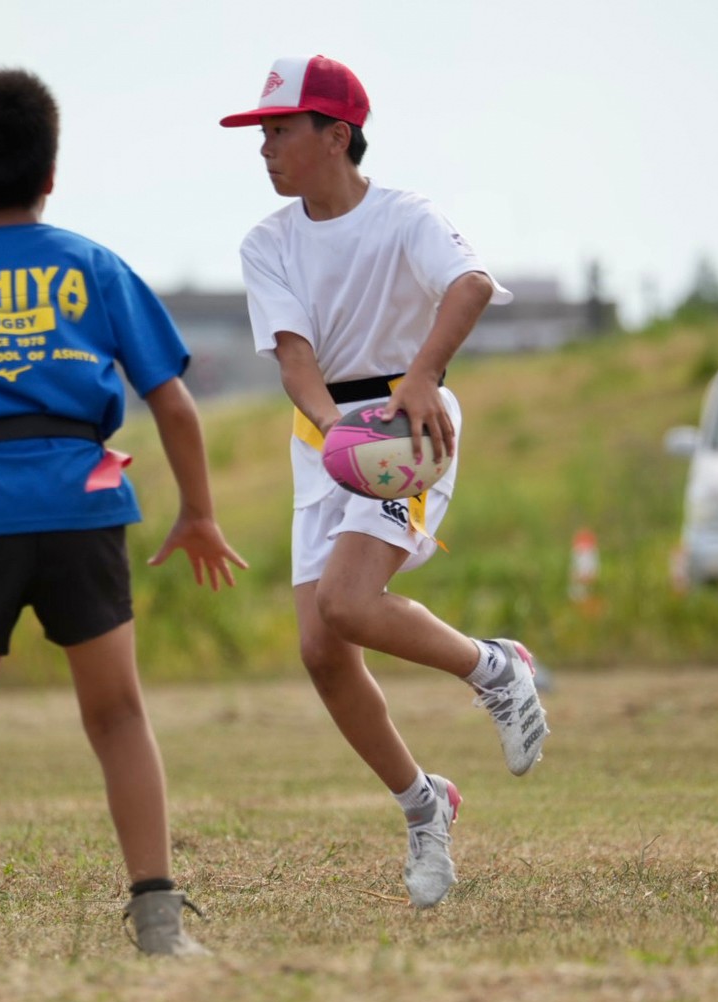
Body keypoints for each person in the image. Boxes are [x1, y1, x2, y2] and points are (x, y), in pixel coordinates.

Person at [0, 66, 246, 958]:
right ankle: (158, 921)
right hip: (81, 503)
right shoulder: (92, 265)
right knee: (118, 714)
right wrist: (199, 512)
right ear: (51, 172)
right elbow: (175, 404)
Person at [219, 55, 549, 909]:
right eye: (261, 133)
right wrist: (335, 431)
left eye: (280, 130)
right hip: (329, 439)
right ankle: (424, 804)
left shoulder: (407, 217)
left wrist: (425, 374)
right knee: (322, 652)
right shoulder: (267, 243)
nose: (265, 148)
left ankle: (493, 669)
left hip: (409, 430)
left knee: (347, 603)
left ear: (336, 135)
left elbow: (471, 284)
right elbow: (295, 359)